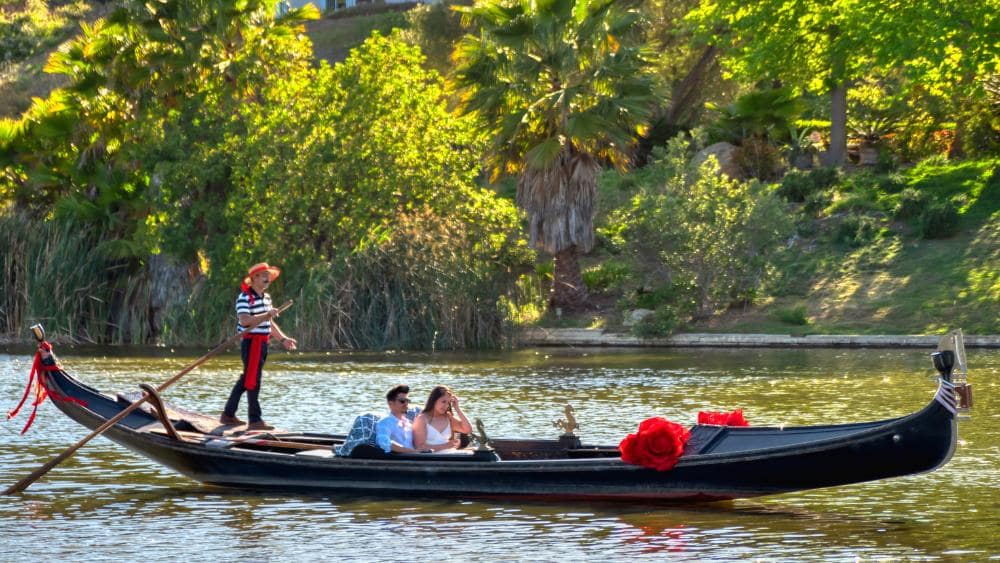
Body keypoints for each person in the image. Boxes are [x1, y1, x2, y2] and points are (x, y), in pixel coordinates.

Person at [221, 262, 297, 430]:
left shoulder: (267, 298)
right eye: (263, 275)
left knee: (247, 379)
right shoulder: (244, 297)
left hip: (262, 343)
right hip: (251, 343)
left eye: (268, 275)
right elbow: (245, 320)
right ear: (254, 278)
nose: (267, 278)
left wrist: (283, 339)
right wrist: (266, 314)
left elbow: (269, 323)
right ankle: (254, 420)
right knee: (253, 380)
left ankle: (228, 414)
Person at [412, 385, 472, 453]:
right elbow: (420, 447)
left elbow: (467, 430)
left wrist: (457, 408)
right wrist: (446, 445)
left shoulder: (448, 417)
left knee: (477, 453)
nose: (446, 406)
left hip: (451, 455)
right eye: (443, 402)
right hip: (434, 458)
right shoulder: (422, 419)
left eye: (449, 403)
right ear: (434, 400)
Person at [375, 384, 423, 453]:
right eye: (402, 401)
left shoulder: (410, 424)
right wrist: (413, 452)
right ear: (390, 403)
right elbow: (384, 443)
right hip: (397, 461)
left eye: (407, 400)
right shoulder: (384, 423)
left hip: (415, 459)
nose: (406, 403)